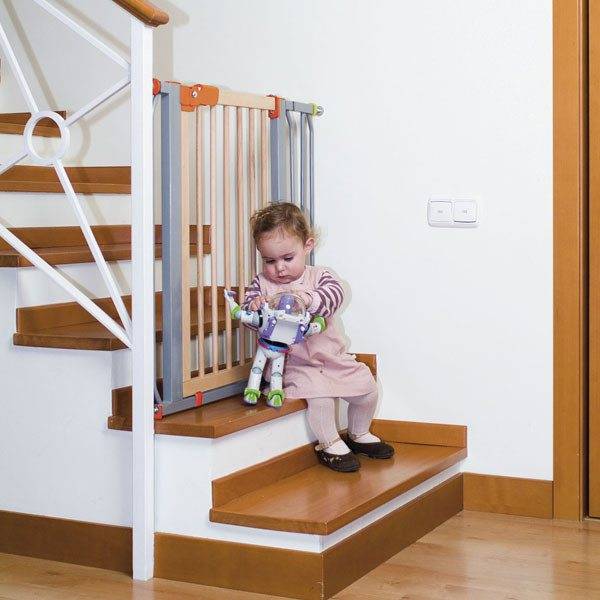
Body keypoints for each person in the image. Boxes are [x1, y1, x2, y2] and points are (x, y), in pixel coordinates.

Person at [242, 202, 394, 472]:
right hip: (295, 365)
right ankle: (329, 443)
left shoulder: (319, 277)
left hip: (333, 358)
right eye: (269, 261)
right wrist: (254, 308)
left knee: (368, 389)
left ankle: (358, 433)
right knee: (321, 399)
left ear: (307, 246)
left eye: (288, 258)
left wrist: (308, 299)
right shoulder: (261, 285)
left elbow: (334, 298)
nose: (279, 268)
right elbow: (249, 313)